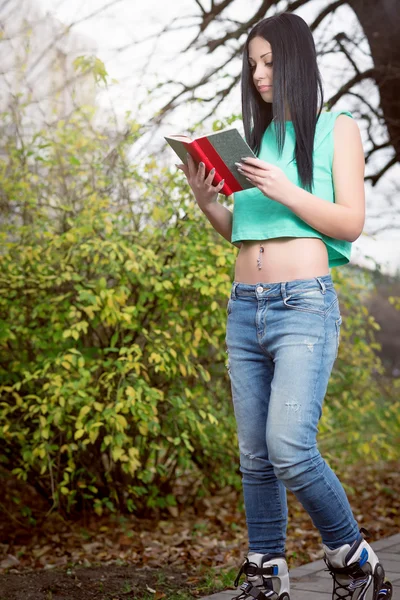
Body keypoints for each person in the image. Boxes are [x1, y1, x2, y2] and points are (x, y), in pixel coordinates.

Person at [175, 11, 393, 600]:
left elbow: (349, 221)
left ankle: (353, 557)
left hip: (304, 307)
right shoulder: (258, 142)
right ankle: (267, 570)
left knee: (290, 446)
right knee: (254, 455)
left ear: (296, 60)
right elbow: (244, 232)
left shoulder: (337, 128)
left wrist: (285, 188)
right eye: (251, 64)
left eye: (269, 61)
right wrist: (205, 199)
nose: (259, 73)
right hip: (244, 306)